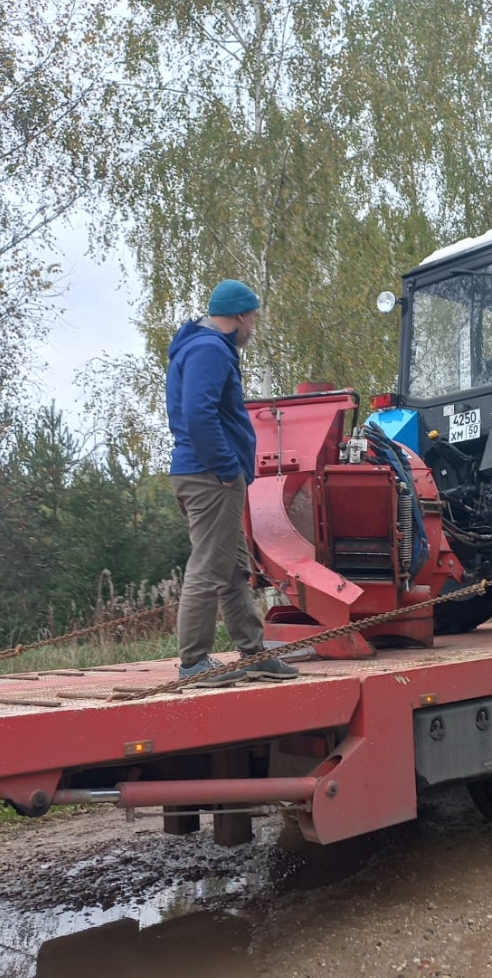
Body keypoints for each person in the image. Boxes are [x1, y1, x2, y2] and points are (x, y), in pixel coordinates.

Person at [166, 278, 298, 685]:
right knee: (208, 566)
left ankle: (253, 653)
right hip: (210, 477)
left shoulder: (200, 346)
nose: (253, 328)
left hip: (207, 474)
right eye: (253, 319)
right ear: (240, 315)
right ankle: (194, 663)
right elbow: (198, 414)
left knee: (232, 568)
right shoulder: (210, 349)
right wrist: (226, 468)